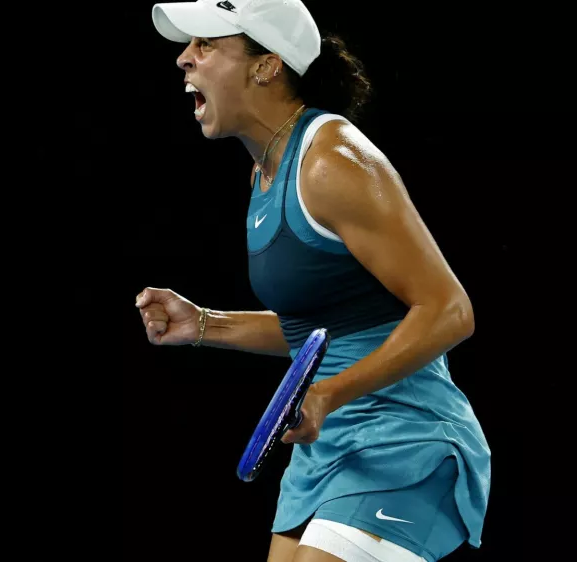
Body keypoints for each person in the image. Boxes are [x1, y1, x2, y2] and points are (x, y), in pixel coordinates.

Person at [136, 1, 491, 561]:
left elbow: (450, 310)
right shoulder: (266, 171)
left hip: (404, 439)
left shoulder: (331, 160)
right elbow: (324, 332)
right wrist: (204, 325)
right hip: (328, 449)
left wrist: (326, 394)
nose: (184, 59)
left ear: (266, 65)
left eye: (206, 45)